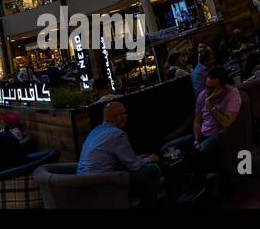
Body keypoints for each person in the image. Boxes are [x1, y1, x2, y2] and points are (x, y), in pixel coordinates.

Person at [165, 66, 241, 202]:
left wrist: (209, 104)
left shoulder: (232, 94)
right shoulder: (203, 94)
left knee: (201, 152)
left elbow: (226, 123)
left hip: (218, 136)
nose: (207, 91)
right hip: (201, 136)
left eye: (212, 88)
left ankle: (197, 187)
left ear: (222, 87)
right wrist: (196, 138)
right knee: (168, 150)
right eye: (207, 86)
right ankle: (179, 187)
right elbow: (197, 121)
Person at [76, 101, 162, 208]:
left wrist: (136, 158)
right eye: (124, 114)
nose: (126, 116)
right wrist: (150, 159)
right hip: (103, 185)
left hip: (83, 185)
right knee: (152, 169)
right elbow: (134, 166)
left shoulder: (95, 131)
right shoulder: (117, 134)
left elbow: (109, 160)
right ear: (117, 117)